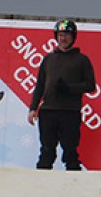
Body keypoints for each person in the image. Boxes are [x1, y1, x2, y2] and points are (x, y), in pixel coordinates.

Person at [27, 19, 97, 171]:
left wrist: (69, 88)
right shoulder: (48, 59)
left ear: (73, 37)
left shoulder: (82, 60)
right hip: (48, 111)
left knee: (70, 151)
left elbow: (90, 85)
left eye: (66, 35)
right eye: (60, 35)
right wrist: (33, 108)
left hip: (70, 112)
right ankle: (40, 182)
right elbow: (39, 85)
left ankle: (73, 182)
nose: (63, 38)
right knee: (46, 150)